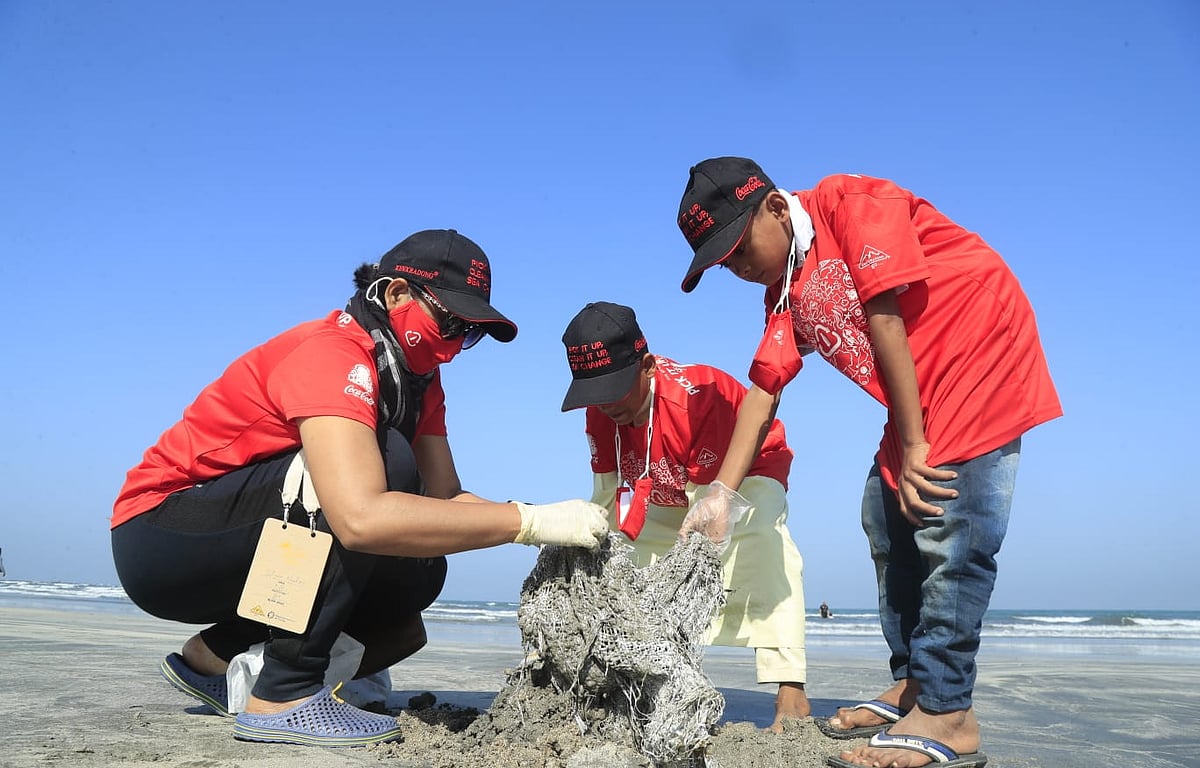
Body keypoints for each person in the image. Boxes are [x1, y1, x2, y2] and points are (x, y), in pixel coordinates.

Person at [111, 229, 608, 748]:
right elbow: (360, 516)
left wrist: (544, 517)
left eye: (470, 332)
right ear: (395, 295)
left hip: (240, 535)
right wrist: (526, 525)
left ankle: (214, 658)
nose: (454, 347)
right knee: (385, 462)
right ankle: (285, 692)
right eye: (449, 322)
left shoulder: (419, 379)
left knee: (418, 580)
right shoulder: (333, 352)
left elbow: (444, 500)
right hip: (162, 531)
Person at [674, 158, 1061, 768]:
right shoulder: (784, 294)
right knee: (883, 514)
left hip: (980, 345)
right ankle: (914, 683)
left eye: (739, 247)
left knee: (947, 523)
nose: (738, 269)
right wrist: (720, 492)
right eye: (724, 263)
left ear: (775, 207)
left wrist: (913, 447)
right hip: (920, 389)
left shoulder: (848, 203)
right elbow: (764, 390)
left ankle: (949, 711)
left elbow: (883, 315)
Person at [559, 301, 811, 733]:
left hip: (747, 469)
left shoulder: (695, 398)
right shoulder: (601, 414)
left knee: (762, 547)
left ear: (648, 366)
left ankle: (790, 689)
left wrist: (716, 512)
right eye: (594, 394)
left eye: (615, 389)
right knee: (629, 561)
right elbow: (605, 497)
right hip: (671, 488)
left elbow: (710, 504)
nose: (605, 404)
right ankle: (649, 676)